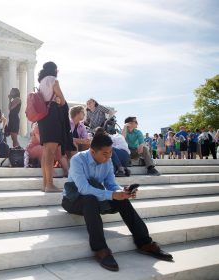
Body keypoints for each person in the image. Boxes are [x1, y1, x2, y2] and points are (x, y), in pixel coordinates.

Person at [61, 133, 173, 272]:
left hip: (96, 198)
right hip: (73, 200)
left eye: (110, 153)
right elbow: (83, 189)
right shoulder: (78, 159)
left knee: (122, 201)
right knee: (90, 199)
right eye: (105, 154)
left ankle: (145, 243)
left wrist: (122, 192)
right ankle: (100, 250)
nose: (109, 157)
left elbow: (111, 184)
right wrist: (112, 194)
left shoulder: (107, 160)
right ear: (92, 151)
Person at [36, 61, 70, 192]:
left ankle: (46, 184)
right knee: (50, 152)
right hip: (52, 116)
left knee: (46, 152)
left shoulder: (41, 82)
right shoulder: (53, 80)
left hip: (43, 117)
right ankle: (49, 185)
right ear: (54, 70)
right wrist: (59, 100)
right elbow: (62, 100)